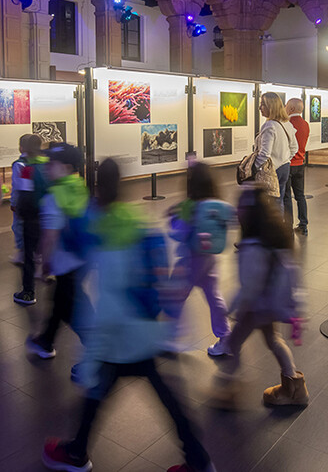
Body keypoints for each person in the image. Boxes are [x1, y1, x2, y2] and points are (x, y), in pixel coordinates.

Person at [41, 158, 214, 472]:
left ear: (95, 185)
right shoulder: (135, 219)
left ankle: (77, 452)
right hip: (146, 327)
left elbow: (74, 257)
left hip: (118, 331)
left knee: (99, 390)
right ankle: (198, 459)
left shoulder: (94, 224)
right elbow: (158, 268)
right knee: (165, 395)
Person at [211, 185, 309, 409]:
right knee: (274, 340)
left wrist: (230, 308)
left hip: (255, 309)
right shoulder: (273, 240)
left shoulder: (251, 249)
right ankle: (295, 385)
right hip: (270, 305)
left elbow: (249, 288)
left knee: (233, 343)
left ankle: (227, 388)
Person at [26, 143, 90, 358]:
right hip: (82, 256)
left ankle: (100, 352)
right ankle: (46, 340)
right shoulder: (79, 185)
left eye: (52, 164)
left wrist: (44, 264)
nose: (46, 167)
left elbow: (49, 236)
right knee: (62, 302)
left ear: (66, 167)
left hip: (63, 261)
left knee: (70, 310)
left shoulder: (53, 198)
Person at [166, 162, 235, 356]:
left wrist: (173, 220)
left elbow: (179, 233)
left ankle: (171, 337)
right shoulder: (216, 205)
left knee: (175, 297)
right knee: (214, 298)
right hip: (210, 260)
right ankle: (225, 337)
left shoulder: (190, 206)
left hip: (190, 259)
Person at [11, 134, 48, 306]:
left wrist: (20, 211)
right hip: (47, 215)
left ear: (23, 147)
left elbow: (24, 194)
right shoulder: (48, 165)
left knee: (29, 256)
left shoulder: (26, 168)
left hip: (32, 217)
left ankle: (28, 292)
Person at [253, 92, 296, 209]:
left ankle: (269, 226)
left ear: (270, 107)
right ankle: (278, 226)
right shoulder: (286, 123)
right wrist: (284, 158)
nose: (260, 108)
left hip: (272, 170)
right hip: (285, 167)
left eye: (263, 105)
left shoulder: (269, 125)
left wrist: (254, 168)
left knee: (268, 206)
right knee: (278, 202)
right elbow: (294, 147)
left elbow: (265, 153)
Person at [285, 98, 310, 235]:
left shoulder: (287, 124)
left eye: (287, 105)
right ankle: (303, 225)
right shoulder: (305, 124)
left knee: (287, 196)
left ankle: (288, 226)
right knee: (300, 195)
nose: (285, 107)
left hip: (288, 164)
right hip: (300, 163)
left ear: (292, 109)